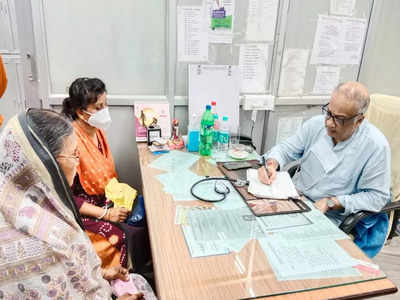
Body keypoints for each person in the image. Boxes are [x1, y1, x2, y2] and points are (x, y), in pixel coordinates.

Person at [0, 109, 157, 299]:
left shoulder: (27, 200)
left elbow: (72, 280)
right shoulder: (47, 243)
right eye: (73, 155)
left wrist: (103, 274)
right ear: (45, 163)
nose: (77, 163)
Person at [258, 82, 391, 257]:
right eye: (329, 112)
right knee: (255, 228)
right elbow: (285, 149)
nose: (329, 123)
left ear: (359, 120)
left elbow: (377, 197)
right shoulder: (316, 125)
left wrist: (333, 202)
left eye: (339, 119)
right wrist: (271, 164)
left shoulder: (375, 146)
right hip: (293, 199)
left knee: (284, 251)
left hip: (327, 216)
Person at [62, 77, 150, 270]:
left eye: (106, 105)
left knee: (144, 211)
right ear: (80, 111)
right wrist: (106, 214)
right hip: (84, 209)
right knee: (120, 236)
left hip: (105, 200)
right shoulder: (70, 142)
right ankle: (119, 281)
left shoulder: (97, 131)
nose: (105, 111)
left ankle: (141, 270)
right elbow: (67, 197)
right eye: (98, 107)